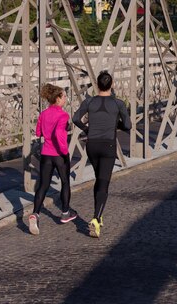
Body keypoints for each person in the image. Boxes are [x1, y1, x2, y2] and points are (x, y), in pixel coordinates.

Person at [72, 70, 131, 238]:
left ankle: (99, 212)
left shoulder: (89, 102)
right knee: (104, 182)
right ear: (112, 85)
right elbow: (128, 125)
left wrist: (87, 128)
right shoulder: (118, 104)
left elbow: (75, 118)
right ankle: (96, 219)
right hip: (108, 145)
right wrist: (115, 124)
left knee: (99, 179)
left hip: (92, 144)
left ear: (97, 85)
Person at [29, 84, 77, 235]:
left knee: (43, 185)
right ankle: (65, 213)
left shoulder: (43, 114)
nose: (65, 99)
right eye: (63, 97)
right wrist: (64, 152)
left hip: (46, 154)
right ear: (57, 99)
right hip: (59, 154)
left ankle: (35, 213)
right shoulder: (63, 115)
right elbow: (57, 133)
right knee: (65, 182)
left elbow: (38, 132)